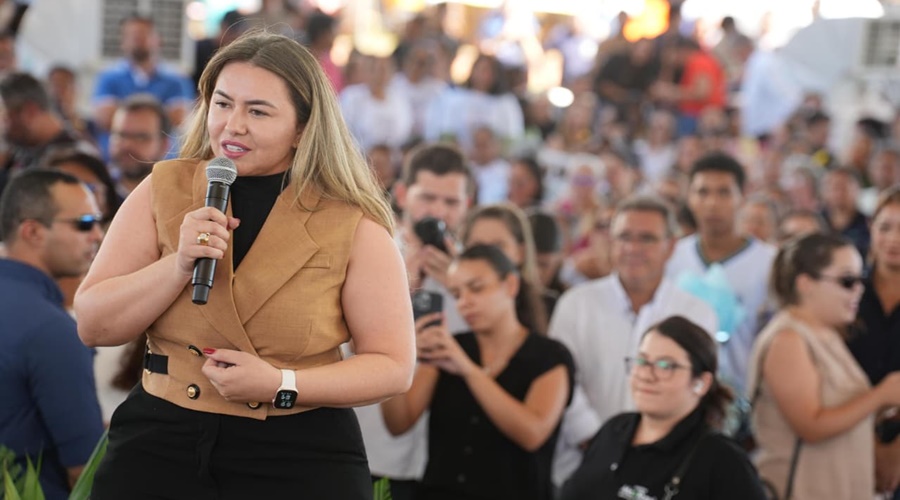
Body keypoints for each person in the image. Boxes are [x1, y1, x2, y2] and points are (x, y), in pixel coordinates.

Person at [74, 32, 415, 498]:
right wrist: (176, 265)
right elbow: (94, 325)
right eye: (222, 104)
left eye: (257, 111)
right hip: (159, 442)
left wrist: (282, 383)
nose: (233, 125)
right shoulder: (161, 189)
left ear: (302, 127)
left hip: (297, 454)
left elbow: (393, 365)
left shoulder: (353, 222)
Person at [381, 244, 574, 500]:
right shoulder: (450, 347)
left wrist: (468, 370)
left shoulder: (549, 356)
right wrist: (396, 354)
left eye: (477, 288)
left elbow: (532, 434)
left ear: (511, 286)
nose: (465, 302)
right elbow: (398, 424)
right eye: (456, 294)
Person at [549, 195, 718, 486]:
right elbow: (560, 380)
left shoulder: (695, 312)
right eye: (624, 237)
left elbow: (694, 391)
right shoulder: (576, 303)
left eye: (647, 239)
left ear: (671, 246)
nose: (632, 248)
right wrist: (599, 440)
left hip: (665, 470)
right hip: (580, 466)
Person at [355, 142, 474, 500]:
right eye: (428, 198)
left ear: (466, 206)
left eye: (451, 202)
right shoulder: (370, 251)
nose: (438, 211)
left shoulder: (474, 273)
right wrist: (399, 284)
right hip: (367, 445)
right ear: (403, 194)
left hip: (443, 459)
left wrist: (462, 290)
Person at [747, 232, 900, 499]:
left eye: (860, 279)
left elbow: (843, 409)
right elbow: (811, 425)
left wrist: (884, 409)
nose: (859, 290)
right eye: (847, 281)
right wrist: (879, 397)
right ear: (806, 283)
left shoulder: (826, 333)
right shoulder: (788, 339)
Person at [559, 316, 766, 500]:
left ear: (701, 382)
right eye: (642, 361)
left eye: (666, 366)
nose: (647, 375)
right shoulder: (613, 431)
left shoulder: (722, 460)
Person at [0, 169, 105, 499]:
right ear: (32, 231)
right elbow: (85, 473)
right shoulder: (51, 330)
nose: (98, 235)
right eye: (84, 223)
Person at [665, 152, 777, 395]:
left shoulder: (769, 261)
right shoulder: (672, 256)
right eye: (703, 192)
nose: (712, 203)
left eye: (724, 192)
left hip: (743, 393)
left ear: (742, 197)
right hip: (676, 390)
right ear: (690, 197)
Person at [846, 187, 900, 497]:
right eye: (885, 227)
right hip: (844, 436)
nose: (894, 239)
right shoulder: (846, 291)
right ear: (871, 229)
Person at [92, 14, 193, 154]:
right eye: (132, 35)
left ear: (158, 40)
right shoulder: (108, 78)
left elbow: (178, 119)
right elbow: (105, 120)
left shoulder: (177, 80)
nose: (138, 40)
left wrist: (122, 114)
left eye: (144, 34)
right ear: (122, 41)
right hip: (116, 161)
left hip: (163, 163)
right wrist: (158, 116)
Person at [0, 72, 99, 194]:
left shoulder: (75, 163)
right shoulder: (21, 150)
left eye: (4, 117)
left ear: (30, 112)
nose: (2, 128)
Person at [460, 202, 550, 330]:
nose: (487, 256)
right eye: (477, 247)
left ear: (520, 252)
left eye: (498, 247)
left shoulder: (549, 307)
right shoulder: (453, 303)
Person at [108, 93, 172, 197]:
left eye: (141, 138)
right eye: (121, 135)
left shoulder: (177, 197)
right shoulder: (96, 194)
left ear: (164, 145)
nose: (127, 144)